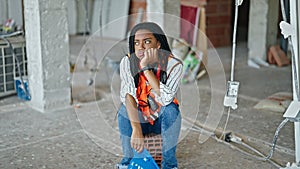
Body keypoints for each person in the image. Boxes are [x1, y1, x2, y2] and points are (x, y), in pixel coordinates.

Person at [117, 22, 183, 169]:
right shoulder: (127, 62)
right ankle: (127, 162)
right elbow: (128, 96)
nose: (141, 47)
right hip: (141, 119)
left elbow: (166, 99)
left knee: (172, 109)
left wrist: (146, 68)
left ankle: (169, 164)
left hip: (162, 122)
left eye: (147, 42)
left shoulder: (174, 65)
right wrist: (136, 129)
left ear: (158, 44)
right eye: (136, 43)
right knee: (123, 111)